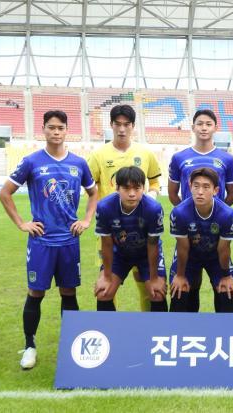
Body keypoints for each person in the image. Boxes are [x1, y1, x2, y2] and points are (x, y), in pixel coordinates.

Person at [0, 110, 98, 369]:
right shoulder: (31, 161)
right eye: (51, 127)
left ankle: (72, 346)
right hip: (41, 242)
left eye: (60, 128)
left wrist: (86, 219)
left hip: (69, 241)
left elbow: (93, 193)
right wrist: (22, 223)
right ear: (43, 129)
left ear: (67, 131)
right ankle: (29, 346)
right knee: (36, 292)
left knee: (69, 292)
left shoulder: (79, 163)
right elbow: (5, 193)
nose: (56, 132)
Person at [87, 104, 164, 312]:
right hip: (111, 227)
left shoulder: (145, 153)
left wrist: (151, 196)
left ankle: (150, 325)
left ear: (133, 126)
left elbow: (155, 181)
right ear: (111, 125)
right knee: (106, 286)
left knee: (146, 285)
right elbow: (90, 187)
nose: (122, 129)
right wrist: (94, 213)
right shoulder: (98, 155)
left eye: (126, 124)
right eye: (118, 124)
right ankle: (110, 328)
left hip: (141, 225)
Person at [94, 167, 166, 311]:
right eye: (126, 188)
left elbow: (153, 245)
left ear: (144, 188)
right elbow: (106, 244)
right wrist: (106, 277)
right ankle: (107, 326)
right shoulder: (104, 207)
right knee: (103, 292)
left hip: (146, 254)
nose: (132, 194)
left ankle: (160, 326)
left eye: (137, 188)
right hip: (119, 253)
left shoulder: (153, 209)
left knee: (157, 293)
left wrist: (154, 279)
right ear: (117, 188)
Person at [169, 167, 233, 313]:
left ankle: (227, 327)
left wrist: (226, 276)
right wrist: (180, 275)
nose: (200, 192)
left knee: (227, 292)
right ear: (190, 187)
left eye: (206, 187)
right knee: (180, 291)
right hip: (189, 256)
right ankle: (183, 327)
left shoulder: (227, 214)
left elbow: (223, 249)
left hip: (215, 257)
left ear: (216, 190)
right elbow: (183, 247)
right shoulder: (179, 213)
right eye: (196, 186)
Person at [168, 109, 233, 206]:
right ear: (193, 128)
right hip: (188, 215)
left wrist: (219, 211)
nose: (204, 128)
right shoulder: (178, 158)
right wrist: (184, 211)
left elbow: (232, 195)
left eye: (208, 124)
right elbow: (172, 194)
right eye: (200, 124)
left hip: (216, 215)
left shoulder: (227, 159)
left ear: (215, 128)